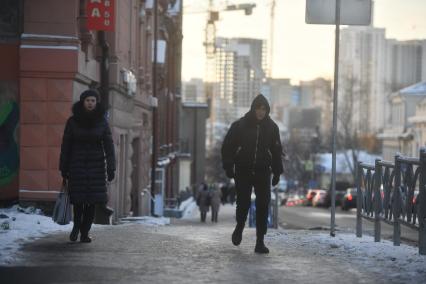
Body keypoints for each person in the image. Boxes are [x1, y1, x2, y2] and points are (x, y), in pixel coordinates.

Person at [221, 94, 283, 254]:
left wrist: (277, 172)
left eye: (264, 109)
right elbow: (227, 146)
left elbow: (276, 151)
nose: (261, 112)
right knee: (243, 202)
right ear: (253, 108)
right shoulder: (240, 125)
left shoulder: (272, 128)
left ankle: (260, 241)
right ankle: (239, 226)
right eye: (258, 108)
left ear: (267, 110)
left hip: (263, 171)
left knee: (263, 204)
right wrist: (229, 166)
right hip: (243, 169)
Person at [60, 89, 116, 243]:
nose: (90, 103)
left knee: (91, 202)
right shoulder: (72, 121)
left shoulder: (102, 122)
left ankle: (85, 232)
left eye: (93, 100)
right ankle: (76, 227)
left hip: (96, 167)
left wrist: (111, 167)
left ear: (96, 103)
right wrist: (63, 167)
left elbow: (109, 146)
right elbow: (66, 145)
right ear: (82, 102)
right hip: (76, 165)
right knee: (78, 200)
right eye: (87, 100)